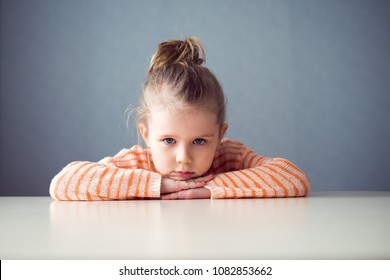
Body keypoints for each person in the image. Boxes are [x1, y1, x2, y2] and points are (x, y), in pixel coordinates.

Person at [50, 36, 310, 200]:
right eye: (168, 140)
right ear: (146, 134)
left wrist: (211, 188)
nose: (183, 157)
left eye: (199, 141)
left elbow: (293, 178)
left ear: (220, 135)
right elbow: (64, 183)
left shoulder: (229, 157)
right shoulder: (137, 162)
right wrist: (157, 185)